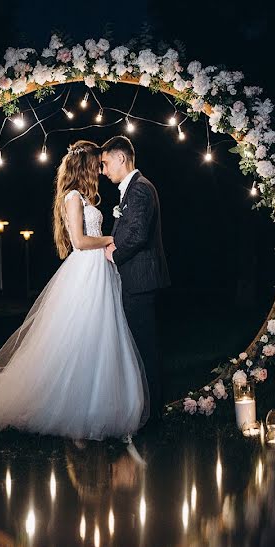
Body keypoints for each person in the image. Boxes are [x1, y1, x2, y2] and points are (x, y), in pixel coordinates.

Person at [0, 140, 149, 441]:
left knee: (100, 334)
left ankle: (98, 402)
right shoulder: (71, 197)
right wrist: (109, 240)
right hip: (86, 271)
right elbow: (79, 242)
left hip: (99, 271)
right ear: (84, 167)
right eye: (96, 164)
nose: (100, 169)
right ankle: (72, 405)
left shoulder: (83, 197)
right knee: (82, 334)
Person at [100, 136, 170, 423]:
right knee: (139, 345)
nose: (103, 171)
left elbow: (137, 235)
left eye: (105, 163)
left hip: (140, 279)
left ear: (121, 158)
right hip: (136, 278)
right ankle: (145, 409)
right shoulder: (132, 189)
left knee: (144, 347)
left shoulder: (140, 189)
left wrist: (112, 254)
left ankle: (152, 415)